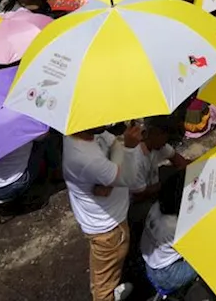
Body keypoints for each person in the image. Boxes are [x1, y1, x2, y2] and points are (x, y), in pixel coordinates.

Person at [63, 124, 142, 301]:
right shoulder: (86, 158)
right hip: (109, 229)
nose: (107, 122)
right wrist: (128, 148)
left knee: (103, 272)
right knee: (103, 287)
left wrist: (110, 181)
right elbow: (130, 177)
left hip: (100, 217)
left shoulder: (80, 130)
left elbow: (113, 143)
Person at [141, 172, 198, 294]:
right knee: (206, 258)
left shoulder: (156, 207)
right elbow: (197, 245)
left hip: (150, 262)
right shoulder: (176, 226)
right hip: (166, 274)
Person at [127, 117, 190, 226]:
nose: (166, 141)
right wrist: (166, 184)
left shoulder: (159, 146)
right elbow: (139, 195)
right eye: (164, 135)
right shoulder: (136, 159)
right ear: (152, 134)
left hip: (152, 186)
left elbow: (179, 160)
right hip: (136, 203)